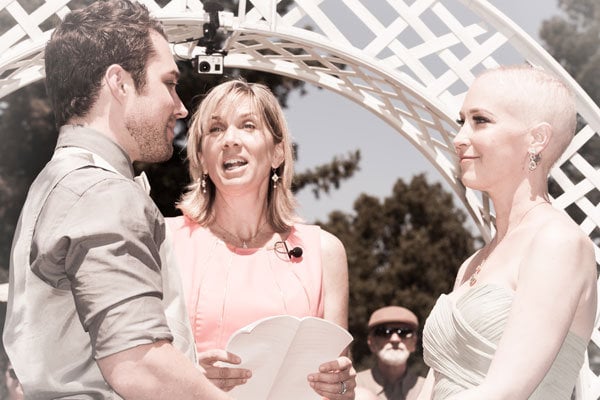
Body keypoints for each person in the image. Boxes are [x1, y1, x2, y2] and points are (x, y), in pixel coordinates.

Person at [2, 1, 233, 398]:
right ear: (120, 83)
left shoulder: (59, 181)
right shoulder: (101, 191)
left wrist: (189, 368)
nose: (179, 107)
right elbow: (138, 365)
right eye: (168, 83)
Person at [167, 78, 357, 398]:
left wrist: (342, 385)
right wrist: (189, 381)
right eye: (215, 129)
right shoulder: (165, 240)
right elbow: (136, 360)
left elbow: (339, 374)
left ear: (277, 153)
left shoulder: (325, 252)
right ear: (201, 155)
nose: (230, 140)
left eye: (248, 126)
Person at [418, 65, 597, 399]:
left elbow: (505, 391)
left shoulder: (558, 243)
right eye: (462, 121)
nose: (459, 138)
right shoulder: (471, 264)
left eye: (480, 120)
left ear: (536, 138)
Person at [355, 306, 424, 400]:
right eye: (384, 332)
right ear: (371, 342)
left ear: (414, 343)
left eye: (404, 332)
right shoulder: (352, 386)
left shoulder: (429, 389)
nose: (394, 339)